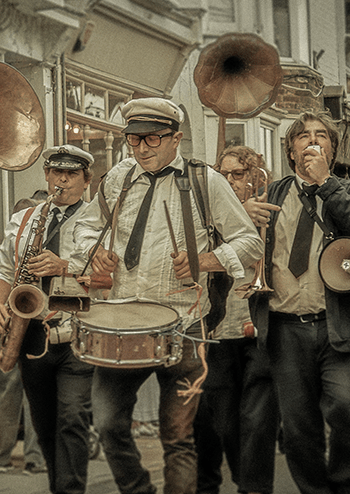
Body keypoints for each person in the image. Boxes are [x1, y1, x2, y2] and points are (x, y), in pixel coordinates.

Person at [73, 97, 263, 494]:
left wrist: (209, 259)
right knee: (108, 424)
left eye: (152, 139)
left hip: (184, 326)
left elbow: (249, 241)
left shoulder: (204, 181)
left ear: (176, 139)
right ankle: (138, 488)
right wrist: (94, 252)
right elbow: (85, 228)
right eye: (133, 140)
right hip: (122, 323)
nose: (142, 148)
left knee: (178, 438)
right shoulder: (118, 178)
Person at [246, 111, 350, 494]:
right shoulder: (270, 195)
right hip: (285, 328)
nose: (313, 142)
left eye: (321, 136)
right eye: (303, 136)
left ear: (332, 149)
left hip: (338, 326)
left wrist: (325, 183)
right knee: (299, 429)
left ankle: (346, 485)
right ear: (290, 149)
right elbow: (238, 245)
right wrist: (243, 216)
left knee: (348, 408)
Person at [0, 144, 97, 492]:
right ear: (47, 175)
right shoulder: (25, 220)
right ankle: (58, 485)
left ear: (86, 179)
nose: (62, 180)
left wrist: (64, 266)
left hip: (78, 333)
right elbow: (1, 266)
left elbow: (114, 275)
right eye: (56, 173)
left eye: (72, 174)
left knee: (73, 418)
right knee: (45, 423)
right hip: (34, 334)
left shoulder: (100, 220)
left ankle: (71, 489)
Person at [194, 146, 278, 494]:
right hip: (220, 329)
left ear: (254, 180)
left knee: (257, 421)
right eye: (224, 174)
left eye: (238, 175)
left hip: (260, 327)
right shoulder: (208, 212)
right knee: (223, 420)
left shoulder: (269, 210)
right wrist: (240, 213)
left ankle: (252, 487)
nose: (230, 181)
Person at [0, 197, 45, 476]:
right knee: (13, 396)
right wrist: (2, 311)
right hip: (11, 331)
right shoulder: (4, 254)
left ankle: (28, 458)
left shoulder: (35, 254)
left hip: (30, 329)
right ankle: (7, 458)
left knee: (23, 396)